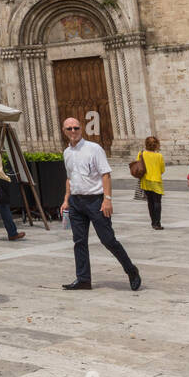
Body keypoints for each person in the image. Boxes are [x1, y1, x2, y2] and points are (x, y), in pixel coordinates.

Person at [60, 118, 141, 291]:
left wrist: (107, 199)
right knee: (79, 241)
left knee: (108, 240)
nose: (73, 131)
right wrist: (66, 200)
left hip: (95, 201)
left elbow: (105, 174)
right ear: (64, 130)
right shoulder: (66, 152)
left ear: (81, 129)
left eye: (76, 128)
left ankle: (131, 270)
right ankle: (83, 279)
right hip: (76, 201)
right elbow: (69, 177)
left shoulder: (94, 149)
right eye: (69, 128)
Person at [137, 136, 166, 229]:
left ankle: (153, 222)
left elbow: (138, 166)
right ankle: (157, 223)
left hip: (145, 181)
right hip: (156, 181)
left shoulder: (141, 154)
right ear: (156, 145)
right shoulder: (159, 156)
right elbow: (162, 170)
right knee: (157, 202)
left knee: (150, 202)